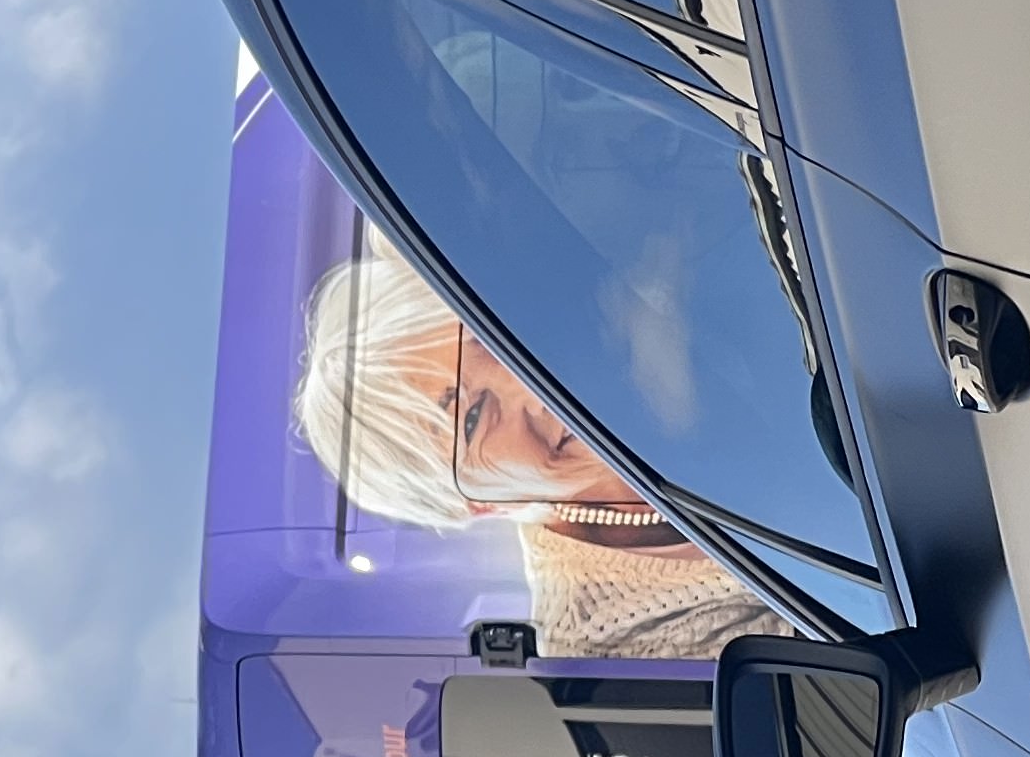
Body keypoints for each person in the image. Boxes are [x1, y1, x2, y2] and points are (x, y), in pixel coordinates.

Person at [291, 244, 767, 660]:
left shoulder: (659, 274)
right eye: (475, 419)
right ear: (481, 504)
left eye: (491, 340)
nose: (532, 389)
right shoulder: (603, 644)